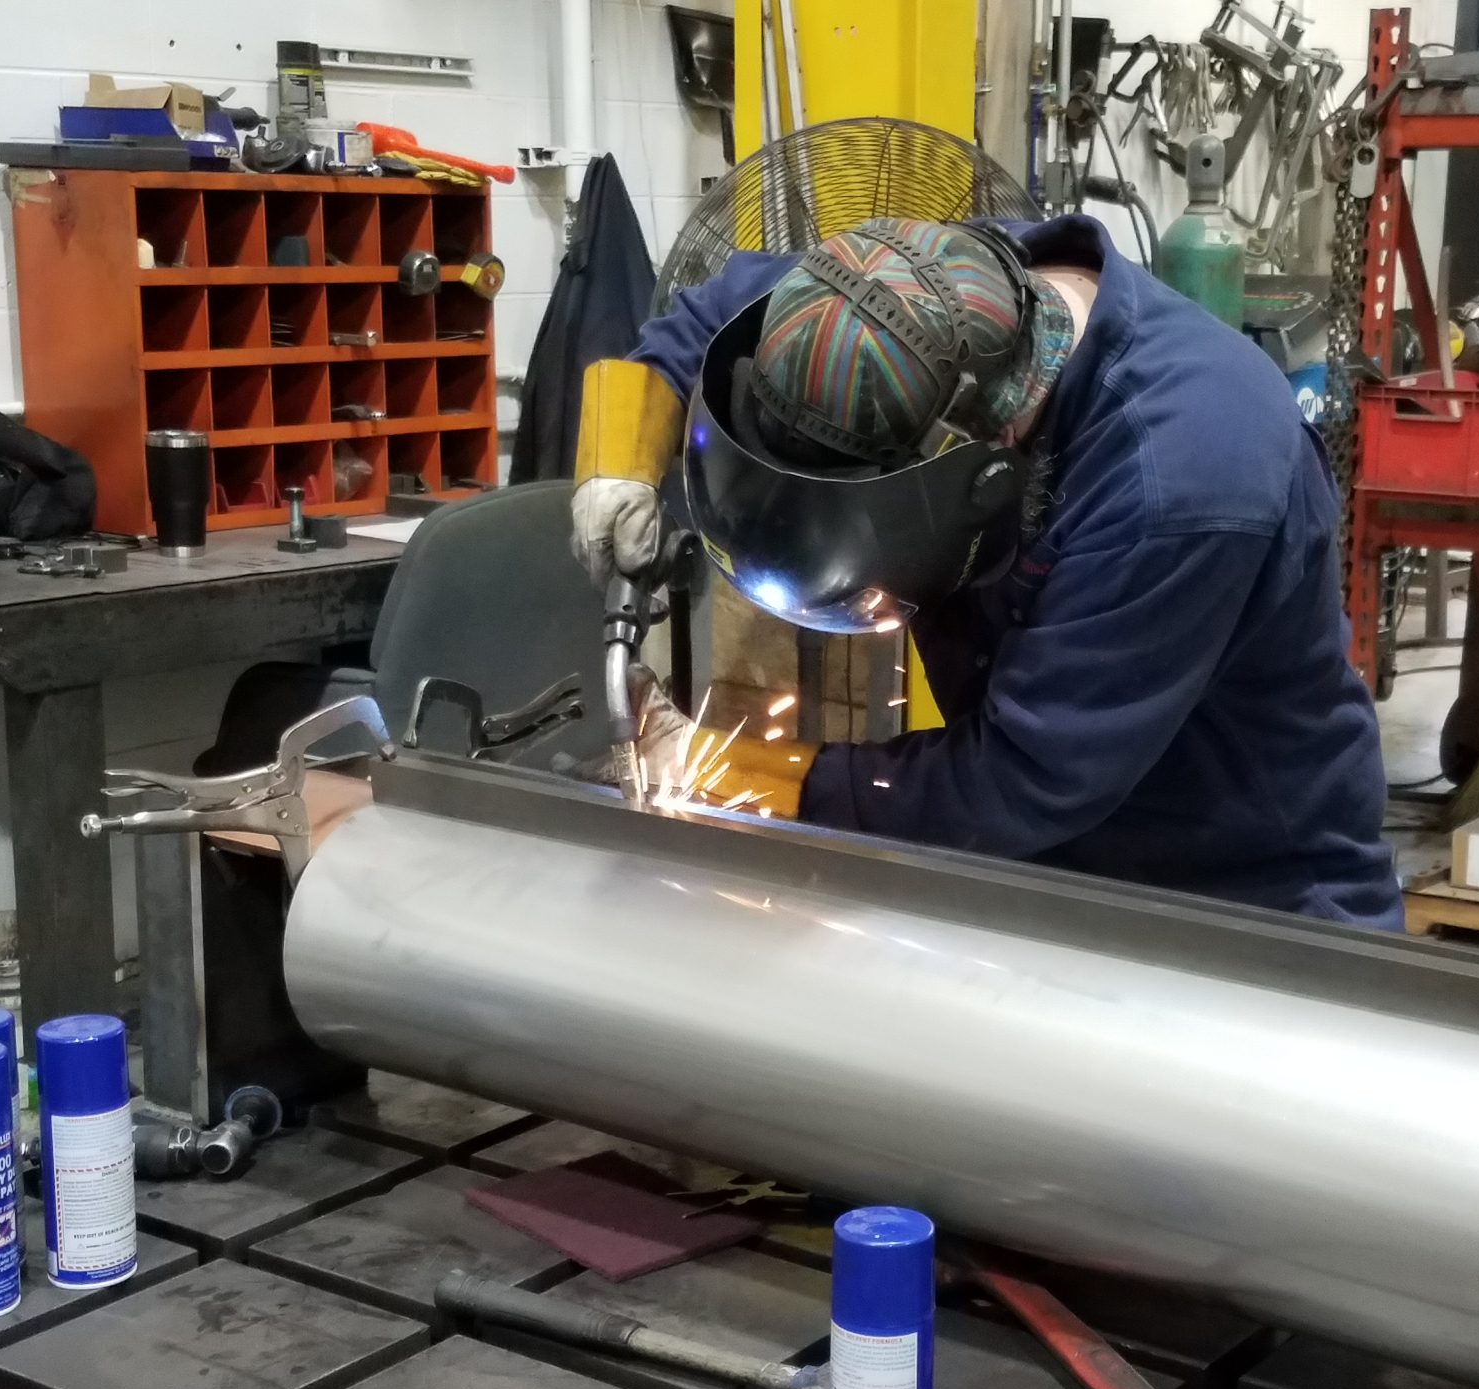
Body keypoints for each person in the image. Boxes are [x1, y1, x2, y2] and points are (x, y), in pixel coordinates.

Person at [571, 214, 1401, 929]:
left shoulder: (1181, 480)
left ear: (985, 450)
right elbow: (716, 312)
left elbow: (1021, 777)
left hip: (1234, 911)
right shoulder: (901, 299)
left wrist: (740, 775)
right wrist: (618, 462)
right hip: (1051, 877)